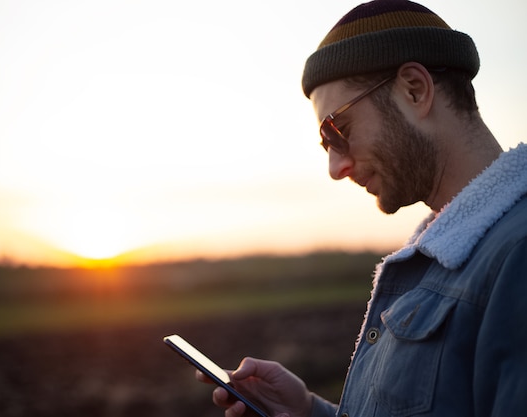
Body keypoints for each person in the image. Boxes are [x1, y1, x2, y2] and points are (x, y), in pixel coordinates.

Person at [197, 0, 527, 416]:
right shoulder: (441, 255)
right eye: (326, 143)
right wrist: (307, 411)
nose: (336, 167)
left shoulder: (517, 255)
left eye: (338, 130)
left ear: (415, 90)